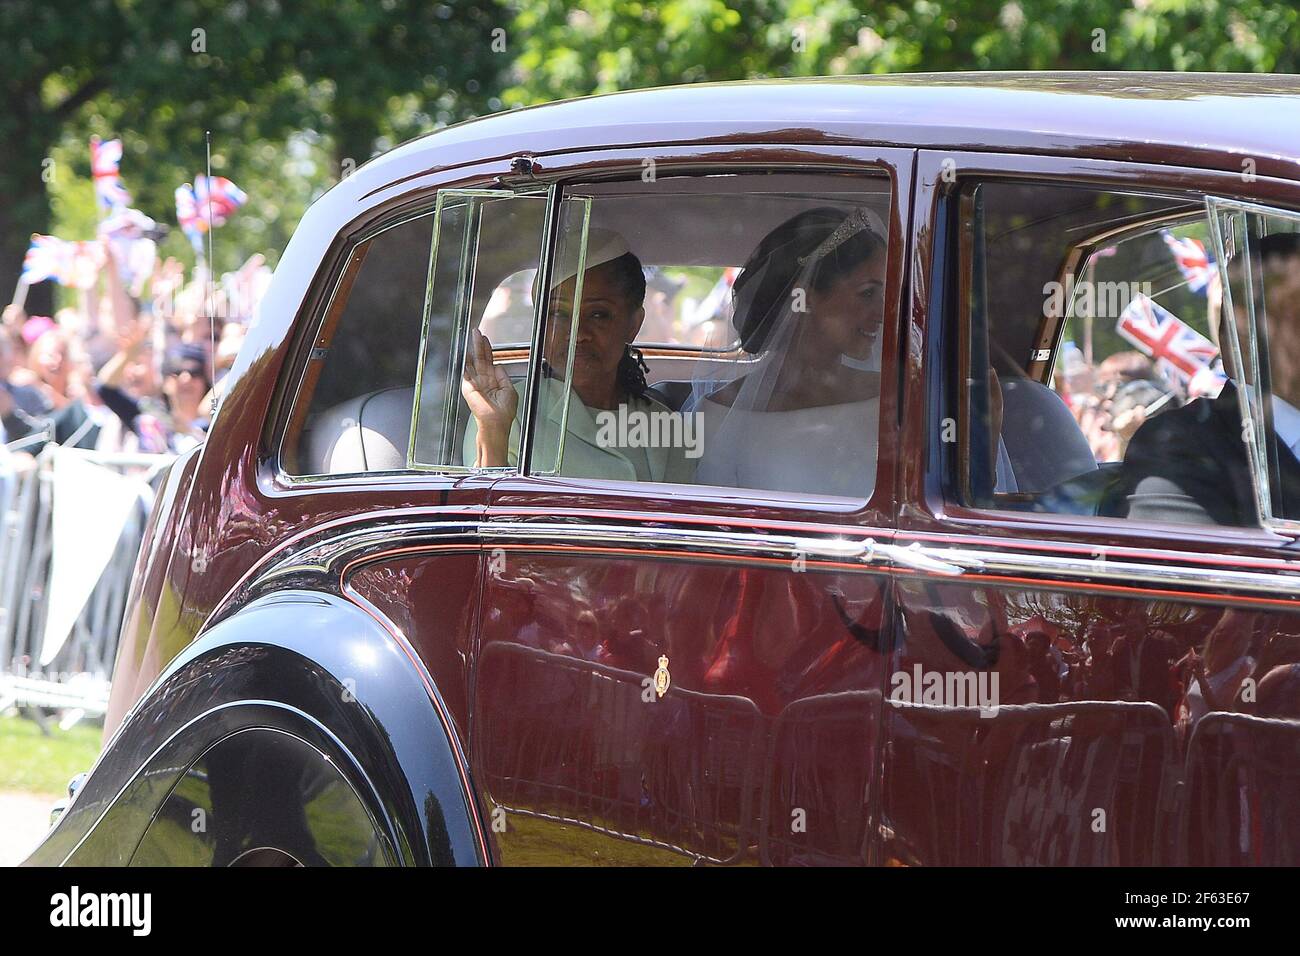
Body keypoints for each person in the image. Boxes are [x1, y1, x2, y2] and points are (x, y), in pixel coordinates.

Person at [461, 229, 695, 482]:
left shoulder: (664, 424)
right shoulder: (510, 413)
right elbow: (488, 513)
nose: (578, 333)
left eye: (598, 315)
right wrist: (493, 428)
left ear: (633, 324)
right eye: (558, 314)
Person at [693, 206, 886, 498]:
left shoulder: (893, 399)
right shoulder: (721, 415)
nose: (882, 313)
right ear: (805, 297)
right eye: (868, 294)